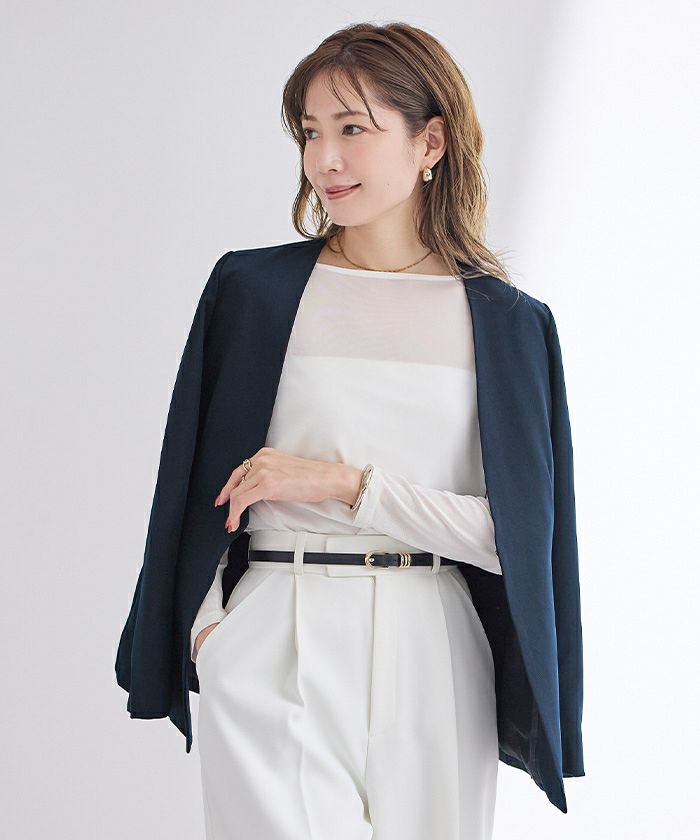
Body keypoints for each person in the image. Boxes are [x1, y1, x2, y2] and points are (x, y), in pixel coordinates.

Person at [115, 21, 585, 840]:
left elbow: (516, 539)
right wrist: (212, 636)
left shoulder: (508, 324)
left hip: (435, 647)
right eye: (310, 133)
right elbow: (188, 486)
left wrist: (346, 485)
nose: (325, 159)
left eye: (352, 129)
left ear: (430, 141)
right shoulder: (253, 291)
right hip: (275, 631)